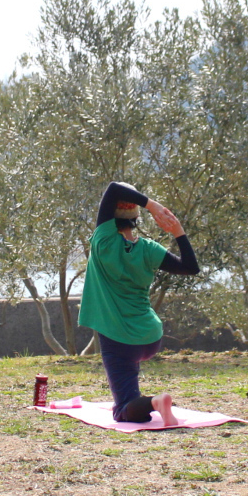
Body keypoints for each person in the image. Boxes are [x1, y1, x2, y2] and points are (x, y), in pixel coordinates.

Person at [78, 181, 200, 426]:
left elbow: (113, 189)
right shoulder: (148, 248)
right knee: (128, 378)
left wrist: (152, 206)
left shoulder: (103, 242)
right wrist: (178, 231)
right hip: (150, 336)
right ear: (135, 218)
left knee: (124, 408)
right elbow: (190, 268)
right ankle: (152, 402)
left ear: (109, 217)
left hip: (119, 337)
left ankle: (156, 402)